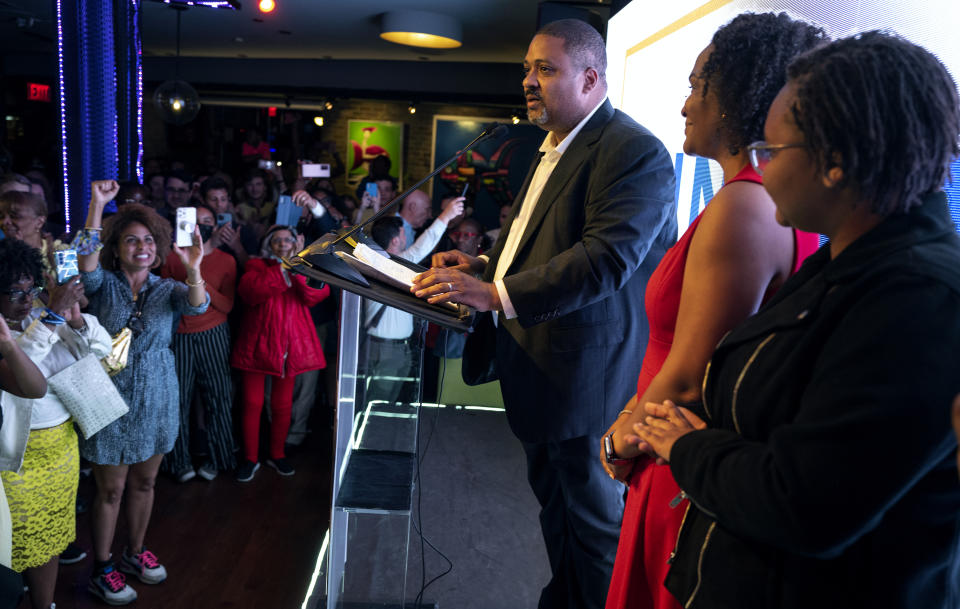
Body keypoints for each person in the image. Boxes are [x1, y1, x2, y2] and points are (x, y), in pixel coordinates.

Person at [630, 31, 960, 609]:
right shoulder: (853, 261)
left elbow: (807, 504)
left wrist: (691, 448)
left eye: (775, 152)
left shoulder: (917, 294)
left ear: (834, 163)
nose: (764, 169)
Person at [412, 19, 677, 609]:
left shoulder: (634, 151)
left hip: (588, 380)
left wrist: (496, 297)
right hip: (539, 370)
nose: (529, 82)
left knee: (595, 531)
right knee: (557, 519)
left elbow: (605, 259)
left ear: (590, 77)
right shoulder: (549, 147)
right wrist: (482, 268)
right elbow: (535, 245)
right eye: (527, 69)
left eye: (545, 69)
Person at [601, 13, 826, 609]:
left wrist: (620, 442)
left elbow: (693, 371)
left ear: (738, 96)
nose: (684, 104)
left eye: (698, 84)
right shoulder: (750, 200)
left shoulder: (743, 207)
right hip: (668, 440)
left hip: (676, 454)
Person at [77, 180, 209, 605]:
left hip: (156, 395)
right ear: (116, 249)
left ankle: (134, 552)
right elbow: (84, 262)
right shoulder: (102, 285)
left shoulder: (169, 289)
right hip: (107, 396)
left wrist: (193, 267)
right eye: (132, 240)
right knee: (110, 489)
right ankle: (103, 566)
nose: (142, 247)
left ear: (160, 248)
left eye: (149, 240)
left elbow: (198, 305)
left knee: (146, 482)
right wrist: (97, 205)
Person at [0, 239, 111, 609]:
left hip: (60, 450)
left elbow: (100, 352)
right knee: (11, 543)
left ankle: (44, 604)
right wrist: (52, 316)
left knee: (46, 542)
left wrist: (75, 320)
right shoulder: (25, 326)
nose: (27, 298)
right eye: (15, 291)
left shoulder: (39, 315)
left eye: (31, 289)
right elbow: (25, 380)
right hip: (14, 462)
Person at [231, 225, 329, 482]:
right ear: (268, 244)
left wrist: (298, 267)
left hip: (288, 347)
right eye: (278, 240)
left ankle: (277, 454)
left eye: (288, 239)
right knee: (252, 404)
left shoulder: (306, 267)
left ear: (296, 242)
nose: (284, 243)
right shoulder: (256, 266)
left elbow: (314, 297)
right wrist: (284, 268)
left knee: (283, 405)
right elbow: (251, 293)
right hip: (257, 345)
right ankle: (250, 458)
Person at [160, 204, 237, 482]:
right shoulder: (171, 257)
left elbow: (227, 305)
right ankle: (178, 462)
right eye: (196, 222)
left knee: (219, 396)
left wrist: (198, 278)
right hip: (179, 334)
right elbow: (167, 299)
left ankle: (220, 457)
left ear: (214, 226)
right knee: (177, 400)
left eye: (206, 222)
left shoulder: (226, 261)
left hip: (214, 332)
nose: (200, 227)